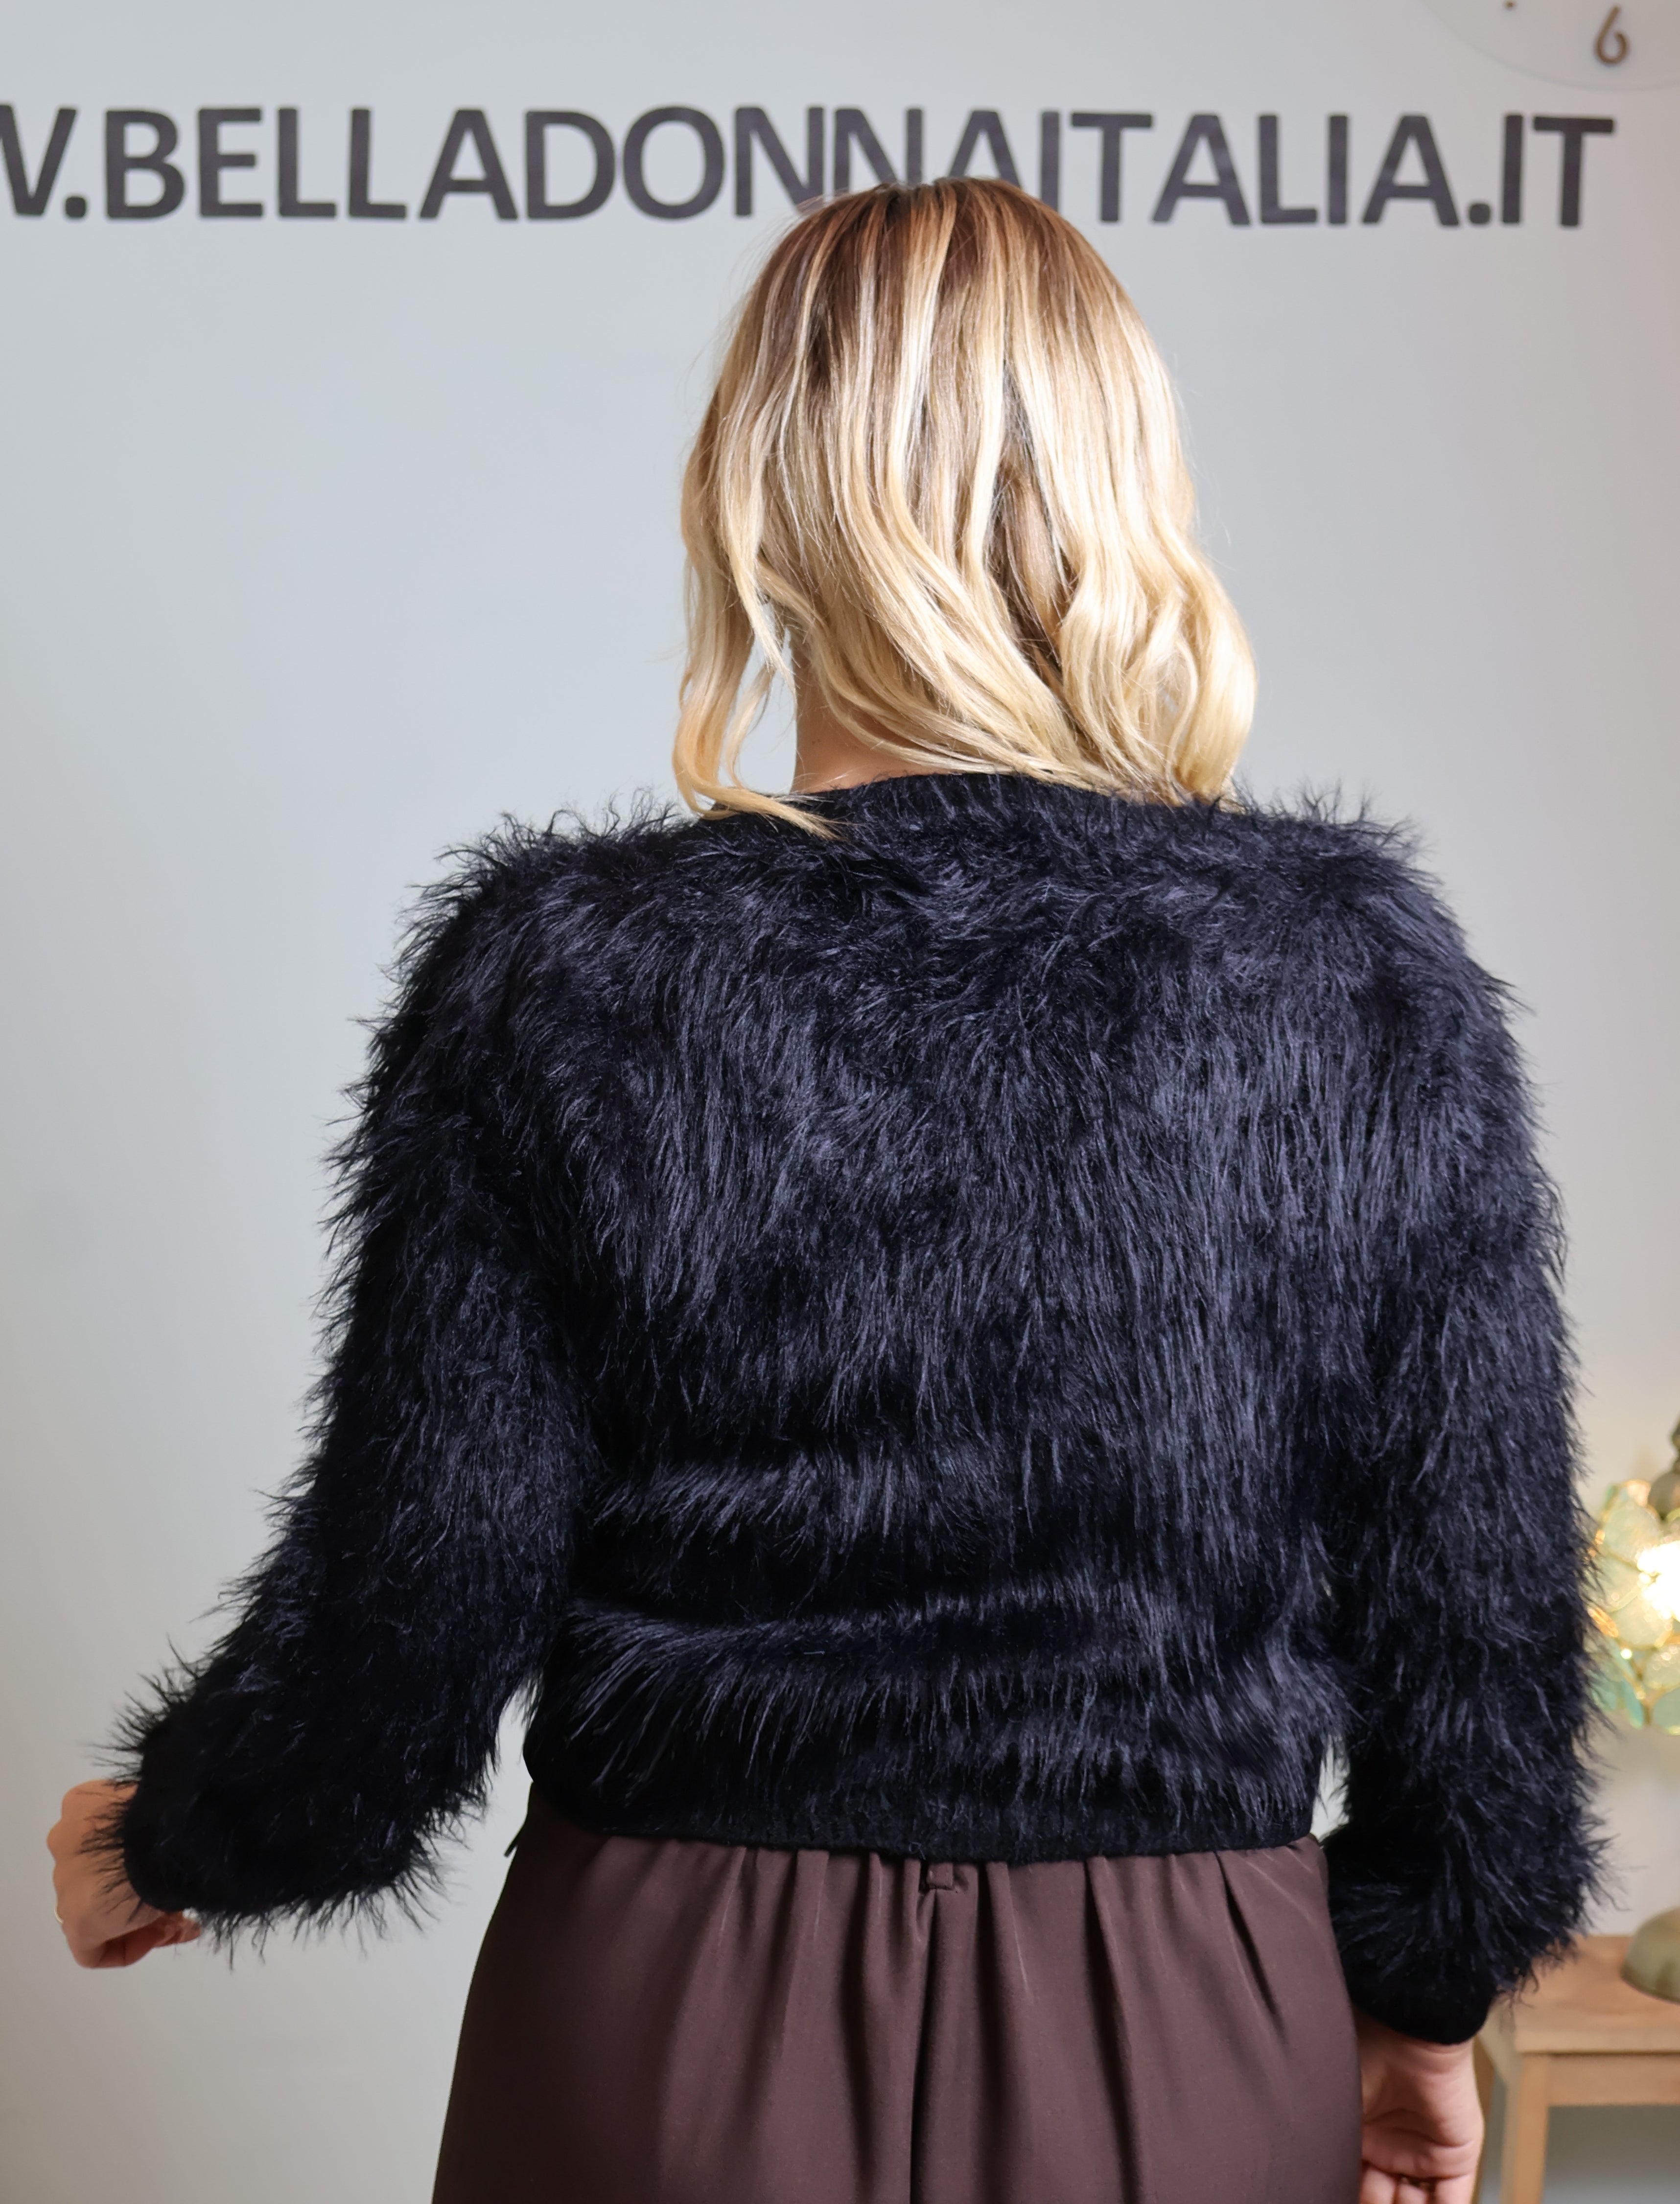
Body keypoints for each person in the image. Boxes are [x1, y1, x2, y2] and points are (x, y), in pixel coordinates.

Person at [49, 179, 1595, 2204]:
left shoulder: (570, 976)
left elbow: (410, 1616)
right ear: (1128, 494)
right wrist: (1423, 2016)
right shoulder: (1357, 979)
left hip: (666, 2018)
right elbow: (1476, 1631)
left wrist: (175, 1836)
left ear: (761, 507)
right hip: (1193, 2019)